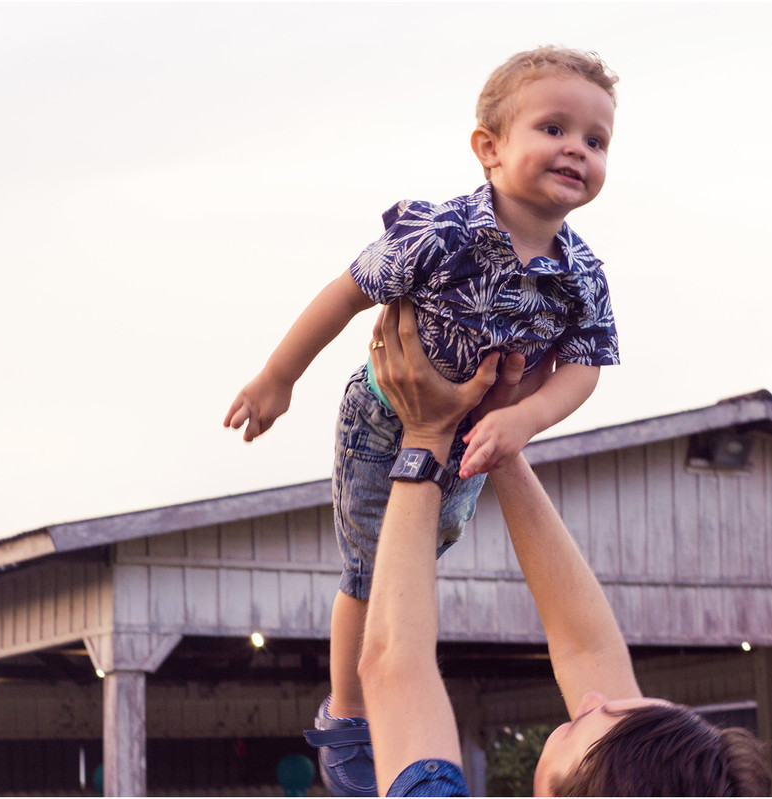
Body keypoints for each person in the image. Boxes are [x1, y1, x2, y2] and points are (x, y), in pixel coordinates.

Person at [224, 46, 621, 795]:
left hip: (477, 431)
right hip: (386, 422)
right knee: (374, 571)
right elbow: (347, 292)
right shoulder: (440, 233)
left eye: (596, 141)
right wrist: (278, 378)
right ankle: (347, 714)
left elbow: (585, 366)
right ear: (489, 148)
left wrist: (524, 420)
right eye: (555, 128)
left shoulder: (583, 272)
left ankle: (363, 707)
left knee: (420, 562)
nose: (578, 149)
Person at [360, 299, 772, 796]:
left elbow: (392, 663)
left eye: (595, 716)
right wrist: (491, 436)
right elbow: (586, 647)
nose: (595, 695)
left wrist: (426, 436)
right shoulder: (621, 773)